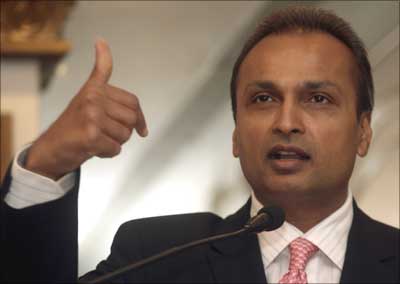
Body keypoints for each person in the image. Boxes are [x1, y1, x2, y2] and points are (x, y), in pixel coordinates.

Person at [1, 6, 398, 283]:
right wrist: (48, 162)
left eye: (318, 99)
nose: (287, 122)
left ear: (363, 131)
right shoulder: (154, 258)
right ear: (236, 136)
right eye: (263, 99)